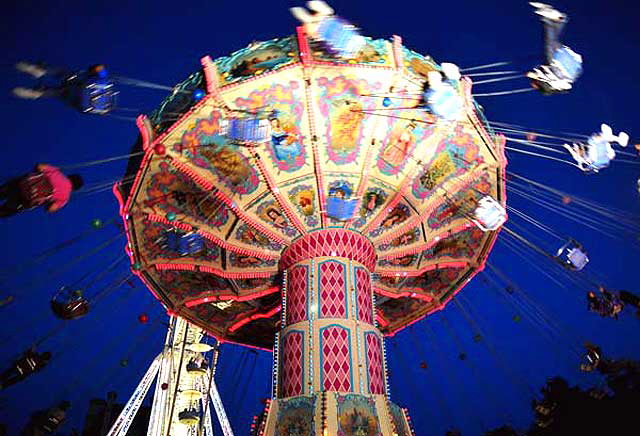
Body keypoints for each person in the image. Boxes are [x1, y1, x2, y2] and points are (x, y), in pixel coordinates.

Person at [13, 62, 117, 115]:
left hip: (81, 89)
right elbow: (81, 109)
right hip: (79, 99)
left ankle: (41, 71)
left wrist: (96, 69)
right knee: (61, 93)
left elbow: (101, 71)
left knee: (65, 75)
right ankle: (37, 93)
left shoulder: (104, 81)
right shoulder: (105, 106)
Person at [527, 3, 582, 95]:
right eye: (534, 85)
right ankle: (551, 19)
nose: (532, 84)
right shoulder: (548, 84)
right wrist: (534, 76)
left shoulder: (552, 83)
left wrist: (534, 75)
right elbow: (544, 82)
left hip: (567, 63)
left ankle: (558, 20)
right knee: (550, 43)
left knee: (552, 42)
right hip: (561, 66)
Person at [0, 164, 83, 218]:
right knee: (5, 210)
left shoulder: (57, 172)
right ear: (74, 189)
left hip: (21, 184)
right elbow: (51, 209)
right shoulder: (65, 197)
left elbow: (39, 166)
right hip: (25, 200)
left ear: (70, 176)